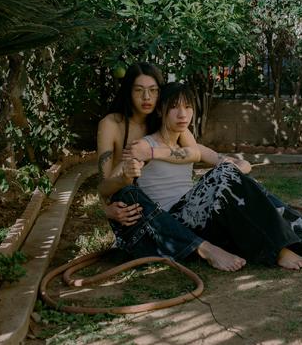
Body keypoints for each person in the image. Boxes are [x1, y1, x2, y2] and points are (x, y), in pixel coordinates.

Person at [116, 81, 302, 270]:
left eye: (188, 107)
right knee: (225, 179)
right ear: (161, 112)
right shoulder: (144, 145)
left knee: (282, 214)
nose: (183, 114)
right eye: (174, 108)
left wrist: (235, 170)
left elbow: (238, 165)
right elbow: (117, 181)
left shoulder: (188, 145)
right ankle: (278, 252)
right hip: (175, 225)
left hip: (203, 218)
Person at [97, 63, 246, 271]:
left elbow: (195, 152)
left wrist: (152, 152)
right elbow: (104, 186)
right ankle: (202, 247)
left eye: (153, 91)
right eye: (139, 91)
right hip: (133, 206)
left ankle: (200, 245)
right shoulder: (112, 124)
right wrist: (107, 210)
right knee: (129, 193)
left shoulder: (166, 118)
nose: (147, 97)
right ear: (128, 92)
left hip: (170, 208)